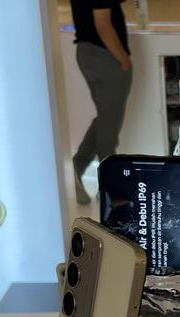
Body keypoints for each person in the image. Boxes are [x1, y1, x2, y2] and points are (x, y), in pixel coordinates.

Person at [71, 0, 132, 205]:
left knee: (106, 119)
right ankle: (110, 189)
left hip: (90, 53)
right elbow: (103, 25)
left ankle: (77, 168)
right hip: (104, 55)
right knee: (109, 124)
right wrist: (123, 59)